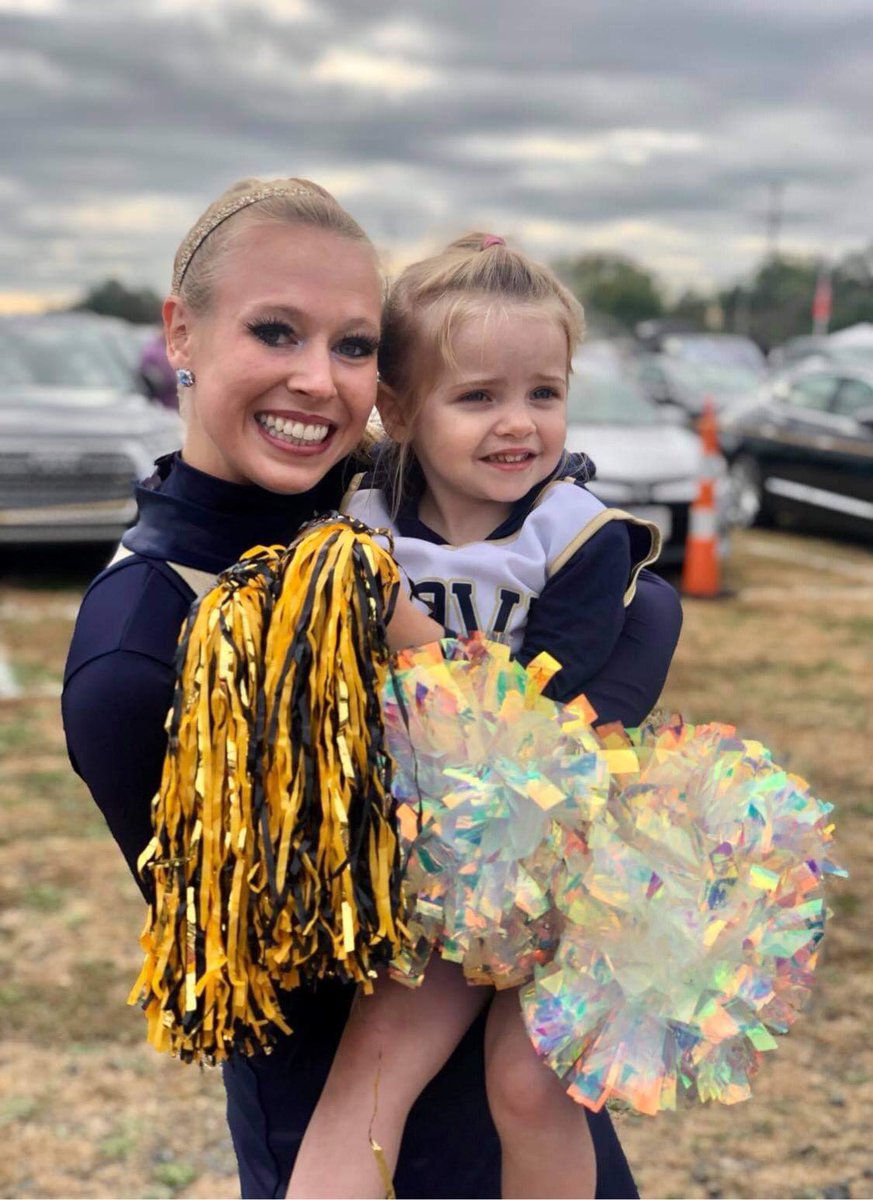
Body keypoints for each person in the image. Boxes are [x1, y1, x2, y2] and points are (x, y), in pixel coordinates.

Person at [62, 178, 681, 1200]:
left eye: (352, 345)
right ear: (181, 331)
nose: (319, 380)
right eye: (275, 331)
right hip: (378, 1143)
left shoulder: (365, 516)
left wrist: (635, 613)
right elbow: (289, 953)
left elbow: (562, 537)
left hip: (533, 1117)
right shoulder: (142, 648)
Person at [288, 233, 662, 1199]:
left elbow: (542, 709)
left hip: (560, 859)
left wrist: (398, 623)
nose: (517, 424)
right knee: (366, 1083)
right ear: (400, 409)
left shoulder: (577, 535)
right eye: (477, 395)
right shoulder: (355, 526)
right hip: (418, 868)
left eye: (543, 392)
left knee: (530, 1087)